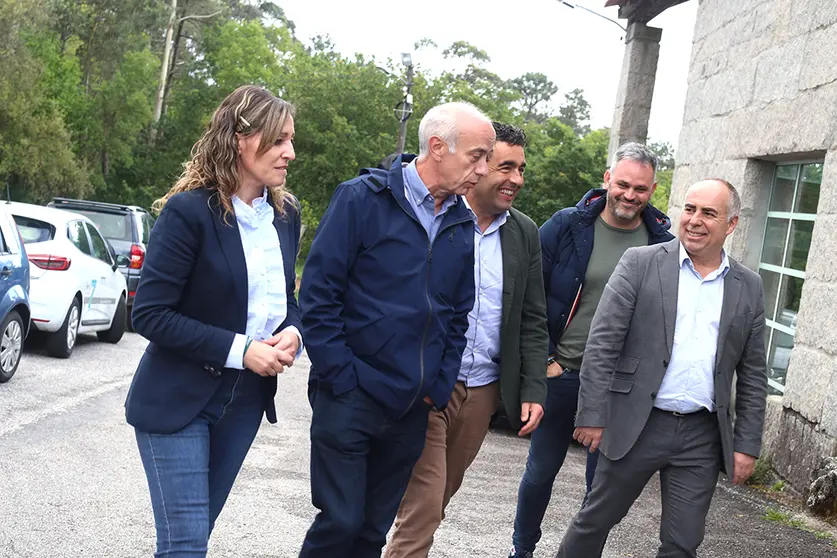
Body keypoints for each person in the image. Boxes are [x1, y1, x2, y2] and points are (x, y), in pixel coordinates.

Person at [298, 102, 495, 557]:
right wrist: (342, 377)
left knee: (371, 533)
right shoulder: (362, 198)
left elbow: (457, 312)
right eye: (477, 156)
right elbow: (318, 295)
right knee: (340, 523)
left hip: (413, 407)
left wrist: (437, 388)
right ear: (438, 147)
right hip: (351, 395)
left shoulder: (461, 221)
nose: (483, 170)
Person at [125, 85, 303, 557]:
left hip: (244, 402)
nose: (290, 152)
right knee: (184, 545)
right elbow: (150, 314)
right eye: (280, 139)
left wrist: (294, 332)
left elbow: (289, 301)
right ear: (241, 138)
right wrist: (241, 348)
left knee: (195, 538)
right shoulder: (189, 213)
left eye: (291, 140)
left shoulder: (286, 215)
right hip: (178, 398)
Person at [556, 179, 768, 558]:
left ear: (731, 224)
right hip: (637, 422)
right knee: (595, 522)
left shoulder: (748, 286)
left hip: (701, 436)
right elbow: (603, 343)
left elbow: (753, 373)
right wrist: (592, 414)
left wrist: (747, 444)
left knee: (682, 543)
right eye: (689, 209)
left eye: (708, 213)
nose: (694, 220)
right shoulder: (641, 263)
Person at [385, 123, 549, 558]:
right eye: (505, 167)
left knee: (436, 501)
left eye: (521, 169)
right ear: (477, 166)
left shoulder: (523, 233)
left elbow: (532, 318)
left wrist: (533, 387)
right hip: (432, 385)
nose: (516, 179)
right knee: (422, 504)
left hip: (483, 391)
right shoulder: (439, 216)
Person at [509, 142, 675, 558]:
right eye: (623, 184)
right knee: (540, 472)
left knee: (600, 487)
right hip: (561, 374)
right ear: (607, 180)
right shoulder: (567, 226)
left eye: (640, 188)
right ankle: (522, 550)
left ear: (653, 189)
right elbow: (530, 296)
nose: (630, 195)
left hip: (618, 387)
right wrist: (544, 361)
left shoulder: (663, 245)